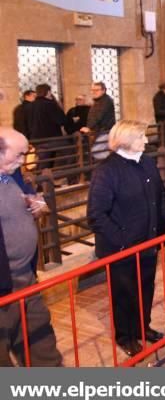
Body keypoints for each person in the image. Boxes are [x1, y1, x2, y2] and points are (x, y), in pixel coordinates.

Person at [87, 121, 165, 358]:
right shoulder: (107, 171)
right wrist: (123, 241)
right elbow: (96, 215)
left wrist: (164, 225)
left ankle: (141, 327)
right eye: (141, 137)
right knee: (124, 294)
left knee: (146, 287)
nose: (146, 141)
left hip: (148, 242)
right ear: (125, 140)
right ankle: (125, 336)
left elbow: (160, 195)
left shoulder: (146, 162)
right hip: (122, 249)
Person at [0, 128, 62, 367]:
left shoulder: (11, 174)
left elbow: (30, 196)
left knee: (41, 342)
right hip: (4, 284)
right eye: (17, 155)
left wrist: (36, 202)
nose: (22, 161)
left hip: (26, 276)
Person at [29, 84, 68, 170]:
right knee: (70, 154)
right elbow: (62, 120)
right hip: (52, 138)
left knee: (43, 163)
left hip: (37, 139)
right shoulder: (50, 104)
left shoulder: (30, 106)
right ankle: (72, 178)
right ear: (48, 92)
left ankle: (42, 182)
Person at [81, 82, 117, 160]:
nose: (94, 92)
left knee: (97, 152)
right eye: (92, 90)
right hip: (100, 131)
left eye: (97, 90)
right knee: (98, 152)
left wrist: (89, 127)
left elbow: (98, 115)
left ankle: (110, 164)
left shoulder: (105, 101)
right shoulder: (99, 101)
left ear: (103, 90)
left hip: (104, 131)